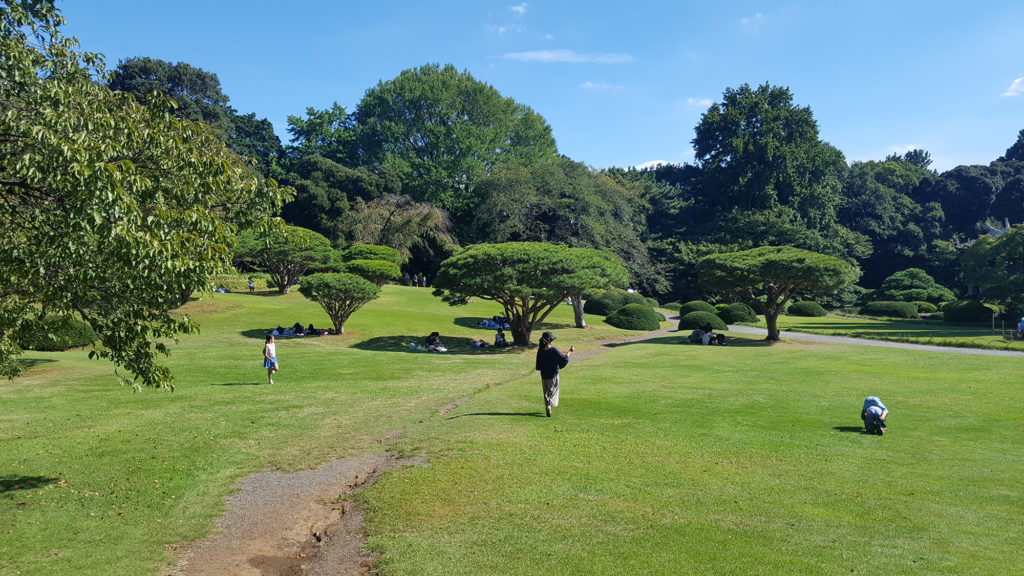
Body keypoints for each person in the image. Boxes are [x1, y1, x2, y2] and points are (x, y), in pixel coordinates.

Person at [535, 331, 574, 417]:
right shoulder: (553, 350)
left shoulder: (540, 350)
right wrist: (570, 351)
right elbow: (563, 360)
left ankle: (548, 406)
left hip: (544, 375)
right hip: (553, 375)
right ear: (549, 341)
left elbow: (538, 365)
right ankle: (550, 404)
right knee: (553, 392)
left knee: (546, 393)